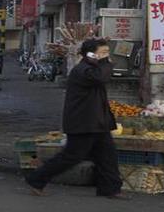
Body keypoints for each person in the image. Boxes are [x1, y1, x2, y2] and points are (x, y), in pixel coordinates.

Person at [26, 38, 127, 200]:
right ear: (91, 54)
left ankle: (110, 189)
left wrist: (104, 63)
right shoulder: (83, 70)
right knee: (71, 156)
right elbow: (101, 78)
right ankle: (36, 179)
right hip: (84, 123)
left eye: (107, 52)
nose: (106, 56)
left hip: (98, 123)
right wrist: (106, 63)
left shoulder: (93, 68)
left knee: (107, 156)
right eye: (103, 53)